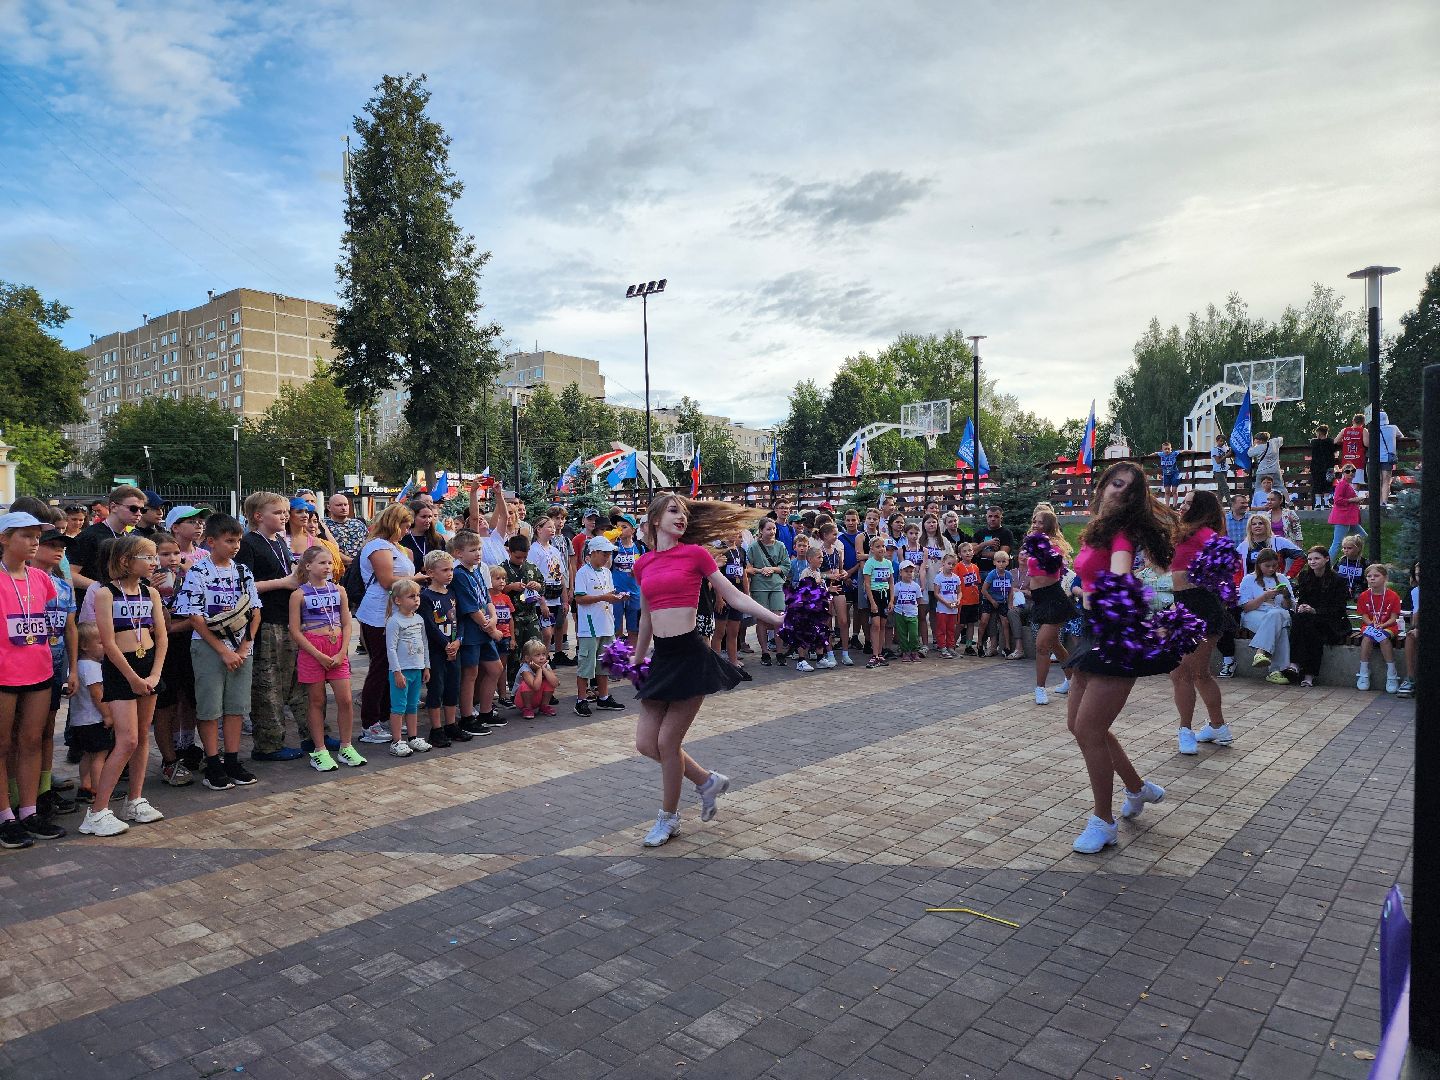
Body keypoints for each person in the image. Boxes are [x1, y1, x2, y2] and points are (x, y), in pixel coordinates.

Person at [631, 494, 784, 848]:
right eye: (673, 511)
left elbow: (733, 596)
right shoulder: (643, 564)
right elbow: (645, 616)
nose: (681, 517)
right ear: (655, 519)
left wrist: (774, 618)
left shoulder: (695, 555)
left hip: (690, 654)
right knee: (645, 743)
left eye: (684, 513)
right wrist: (638, 659)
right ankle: (706, 780)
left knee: (668, 743)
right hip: (662, 658)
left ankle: (668, 819)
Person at [1062, 461, 1178, 854]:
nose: (1119, 492)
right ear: (1102, 486)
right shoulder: (1098, 529)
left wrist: (1093, 594)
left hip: (1117, 638)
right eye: (1115, 483)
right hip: (1095, 634)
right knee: (1079, 727)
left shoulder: (1123, 536)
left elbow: (1119, 577)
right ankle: (1137, 788)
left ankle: (1104, 822)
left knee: (1090, 730)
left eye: (1128, 489)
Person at [84, 534, 168, 836]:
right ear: (125, 560)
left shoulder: (151, 593)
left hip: (148, 669)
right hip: (122, 670)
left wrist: (155, 674)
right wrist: (132, 677)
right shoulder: (106, 593)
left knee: (142, 737)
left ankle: (135, 799)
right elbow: (107, 641)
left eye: (154, 556)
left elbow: (161, 636)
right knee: (127, 740)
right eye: (148, 557)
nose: (154, 562)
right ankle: (97, 812)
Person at [175, 513, 262, 792]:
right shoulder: (199, 572)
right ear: (211, 542)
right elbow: (195, 617)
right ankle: (213, 763)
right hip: (209, 647)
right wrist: (223, 651)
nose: (235, 546)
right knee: (210, 708)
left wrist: (245, 645)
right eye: (229, 541)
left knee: (236, 707)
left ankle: (233, 760)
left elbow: (255, 611)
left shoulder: (242, 572)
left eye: (237, 540)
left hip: (240, 647)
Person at [0, 512, 62, 847]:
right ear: (5, 538)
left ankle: (28, 809)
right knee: (2, 744)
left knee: (31, 741)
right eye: (26, 535)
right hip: (4, 674)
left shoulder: (41, 579)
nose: (35, 541)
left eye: (37, 535)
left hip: (39, 669)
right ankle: (5, 816)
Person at [1168, 491, 1232, 752]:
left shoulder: (1207, 536)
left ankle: (1185, 731)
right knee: (1198, 673)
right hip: (1185, 604)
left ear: (1201, 509)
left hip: (1201, 606)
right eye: (1182, 502)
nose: (1182, 507)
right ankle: (1218, 726)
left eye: (1188, 503)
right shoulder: (1186, 533)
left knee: (1182, 671)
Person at [355, 504, 424, 743]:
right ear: (394, 523)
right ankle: (370, 722)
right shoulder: (378, 546)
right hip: (378, 614)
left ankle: (386, 715)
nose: (407, 531)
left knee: (394, 667)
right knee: (381, 666)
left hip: (396, 613)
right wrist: (415, 578)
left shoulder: (397, 547)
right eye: (405, 526)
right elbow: (386, 580)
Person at [289, 546, 362, 770]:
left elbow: (347, 623)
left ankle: (346, 746)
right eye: (322, 563)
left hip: (337, 649)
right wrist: (317, 654)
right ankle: (319, 749)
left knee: (346, 699)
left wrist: (342, 651)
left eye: (330, 563)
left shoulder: (339, 590)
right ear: (308, 566)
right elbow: (294, 630)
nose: (327, 567)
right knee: (316, 701)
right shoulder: (298, 594)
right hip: (313, 650)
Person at [450, 531, 502, 736]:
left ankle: (486, 711)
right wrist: (490, 627)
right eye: (472, 550)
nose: (478, 553)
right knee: (470, 674)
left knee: (495, 669)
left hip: (485, 629)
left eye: (479, 549)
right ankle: (466, 717)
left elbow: (486, 597)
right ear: (459, 553)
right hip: (472, 631)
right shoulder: (460, 574)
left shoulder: (478, 569)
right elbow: (470, 608)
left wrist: (494, 616)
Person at [1024, 509, 1076, 703]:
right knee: (1054, 643)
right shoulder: (1031, 541)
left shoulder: (1055, 547)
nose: (1036, 525)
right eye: (1034, 521)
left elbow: (1054, 566)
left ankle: (1040, 688)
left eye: (1040, 522)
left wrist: (1038, 548)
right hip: (1038, 599)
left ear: (1049, 525)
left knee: (1042, 645)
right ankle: (1072, 679)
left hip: (1053, 598)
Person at [573, 536, 626, 716]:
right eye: (604, 553)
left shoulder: (607, 572)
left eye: (609, 554)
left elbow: (608, 593)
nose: (607, 557)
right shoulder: (583, 573)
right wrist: (605, 597)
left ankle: (603, 697)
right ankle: (581, 699)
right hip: (590, 627)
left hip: (606, 624)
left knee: (604, 664)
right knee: (586, 664)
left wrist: (618, 597)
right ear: (593, 552)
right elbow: (579, 598)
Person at [415, 550, 461, 748]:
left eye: (451, 569)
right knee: (436, 688)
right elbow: (429, 625)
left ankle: (451, 724)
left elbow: (460, 620)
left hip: (454, 648)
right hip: (436, 650)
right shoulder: (425, 597)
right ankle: (436, 729)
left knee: (453, 687)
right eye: (445, 570)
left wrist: (458, 640)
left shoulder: (451, 593)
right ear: (431, 573)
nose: (450, 573)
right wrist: (445, 644)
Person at [1290, 546, 1350, 688]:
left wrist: (1315, 610)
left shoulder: (1338, 580)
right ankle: (1302, 670)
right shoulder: (1305, 576)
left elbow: (1338, 608)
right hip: (1309, 619)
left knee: (1311, 626)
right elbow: (1303, 599)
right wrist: (1302, 606)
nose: (1312, 562)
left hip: (1331, 621)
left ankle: (1302, 668)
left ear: (1326, 559)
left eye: (1316, 558)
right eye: (1310, 559)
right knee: (1301, 619)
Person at [68, 624, 113, 811]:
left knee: (87, 754)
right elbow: (97, 694)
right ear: (85, 646)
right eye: (101, 642)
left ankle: (85, 786)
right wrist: (108, 715)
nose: (105, 646)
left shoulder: (77, 666)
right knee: (100, 756)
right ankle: (98, 789)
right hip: (93, 719)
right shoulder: (92, 667)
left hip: (79, 721)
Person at [69, 485, 147, 592]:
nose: (138, 514)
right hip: (94, 603)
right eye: (133, 508)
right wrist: (103, 588)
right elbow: (70, 574)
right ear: (114, 507)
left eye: (142, 510)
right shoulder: (89, 535)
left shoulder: (131, 537)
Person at [384, 579, 430, 755]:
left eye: (418, 595)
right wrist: (396, 672)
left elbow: (424, 643)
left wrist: (426, 667)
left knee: (412, 705)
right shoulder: (394, 621)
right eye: (411, 596)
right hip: (401, 671)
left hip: (416, 669)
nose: (417, 599)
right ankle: (397, 741)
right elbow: (391, 649)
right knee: (398, 707)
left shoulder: (419, 619)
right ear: (398, 600)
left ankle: (413, 737)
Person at [1239, 549, 1295, 682]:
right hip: (1255, 614)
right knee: (1280, 627)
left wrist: (1286, 596)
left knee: (1277, 614)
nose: (1271, 569)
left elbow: (1288, 606)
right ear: (1259, 564)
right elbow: (1246, 607)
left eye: (1274, 566)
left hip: (1279, 614)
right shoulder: (1248, 579)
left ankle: (1260, 652)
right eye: (1267, 566)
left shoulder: (1282, 578)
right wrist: (1264, 596)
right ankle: (1276, 671)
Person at [747, 517, 790, 667]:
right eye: (768, 529)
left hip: (777, 585)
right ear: (761, 530)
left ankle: (779, 652)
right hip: (759, 586)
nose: (772, 531)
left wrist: (773, 569)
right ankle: (765, 652)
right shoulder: (753, 547)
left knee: (778, 619)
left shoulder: (781, 546)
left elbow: (786, 566)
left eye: (773, 529)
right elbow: (748, 568)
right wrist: (760, 570)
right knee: (762, 621)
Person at [1355, 564, 1401, 693]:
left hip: (1388, 626)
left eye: (1376, 575)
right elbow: (1364, 615)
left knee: (1383, 638)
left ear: (1385, 578)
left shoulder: (1393, 596)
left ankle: (1391, 673)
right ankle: (1363, 670)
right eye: (1369, 576)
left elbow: (1393, 617)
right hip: (1370, 626)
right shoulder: (1364, 595)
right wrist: (1371, 624)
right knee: (1367, 638)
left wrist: (1383, 625)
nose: (1372, 578)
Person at [712, 531, 750, 675]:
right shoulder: (721, 551)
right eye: (733, 533)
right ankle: (716, 662)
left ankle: (733, 660)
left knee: (734, 631)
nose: (736, 536)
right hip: (724, 595)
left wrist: (747, 594)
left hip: (737, 594)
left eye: (739, 534)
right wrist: (719, 597)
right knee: (720, 631)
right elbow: (716, 575)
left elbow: (744, 573)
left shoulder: (741, 551)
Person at [611, 515, 645, 647]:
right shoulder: (614, 547)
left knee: (634, 629)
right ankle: (617, 657)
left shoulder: (639, 547)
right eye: (618, 527)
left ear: (633, 530)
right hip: (617, 592)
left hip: (635, 592)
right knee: (616, 629)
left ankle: (633, 658)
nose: (620, 530)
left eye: (624, 527)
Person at [861, 534, 893, 668]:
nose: (881, 549)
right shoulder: (869, 563)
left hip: (885, 595)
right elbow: (867, 584)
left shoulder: (888, 563)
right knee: (875, 625)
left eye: (883, 546)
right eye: (877, 546)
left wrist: (891, 600)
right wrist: (872, 602)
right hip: (874, 595)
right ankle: (874, 655)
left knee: (883, 625)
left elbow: (891, 582)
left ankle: (880, 654)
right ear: (872, 549)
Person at [980, 550, 1017, 659]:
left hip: (1002, 601)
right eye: (998, 561)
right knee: (984, 620)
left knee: (1005, 622)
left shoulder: (1008, 575)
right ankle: (980, 644)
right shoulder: (992, 574)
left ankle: (1007, 647)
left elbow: (1011, 591)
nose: (1001, 564)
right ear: (994, 562)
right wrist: (992, 601)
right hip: (990, 600)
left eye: (1003, 561)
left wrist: (1010, 603)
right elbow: (983, 590)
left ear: (1007, 562)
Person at [1237, 513, 1302, 574]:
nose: (1257, 526)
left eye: (1260, 523)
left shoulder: (1280, 542)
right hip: (1251, 584)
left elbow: (1301, 556)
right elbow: (1234, 566)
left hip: (1275, 583)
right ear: (1250, 528)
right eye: (1254, 524)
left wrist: (1289, 575)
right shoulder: (1243, 546)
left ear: (1266, 526)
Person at [1327, 464, 1365, 562]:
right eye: (1347, 471)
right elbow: (1337, 500)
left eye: (1353, 471)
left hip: (1348, 518)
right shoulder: (1342, 484)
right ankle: (1326, 565)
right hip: (1342, 517)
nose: (1351, 473)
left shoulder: (1348, 484)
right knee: (1337, 543)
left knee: (1362, 536)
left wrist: (1356, 500)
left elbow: (1346, 499)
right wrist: (1354, 499)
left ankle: (1355, 558)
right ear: (1343, 473)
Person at [512, 639, 558, 719]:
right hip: (521, 700)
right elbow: (535, 686)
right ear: (527, 658)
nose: (542, 657)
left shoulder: (545, 666)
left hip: (536, 696)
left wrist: (544, 670)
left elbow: (555, 683)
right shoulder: (525, 669)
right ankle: (527, 708)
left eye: (543, 654)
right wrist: (539, 670)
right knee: (526, 684)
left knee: (549, 680)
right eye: (537, 655)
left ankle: (544, 705)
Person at [325, 493, 369, 567]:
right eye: (339, 505)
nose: (343, 508)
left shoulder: (358, 524)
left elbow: (369, 543)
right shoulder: (324, 525)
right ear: (329, 508)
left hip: (361, 568)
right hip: (337, 568)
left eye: (345, 505)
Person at [971, 506, 1014, 582]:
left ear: (1001, 518)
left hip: (997, 573)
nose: (993, 519)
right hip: (979, 572)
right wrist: (986, 544)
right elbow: (971, 551)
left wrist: (980, 553)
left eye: (996, 516)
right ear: (986, 517)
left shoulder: (1006, 533)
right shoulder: (979, 533)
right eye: (990, 516)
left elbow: (1001, 556)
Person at [931, 551, 962, 659]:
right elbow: (936, 593)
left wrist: (958, 600)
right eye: (949, 563)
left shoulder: (956, 578)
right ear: (943, 563)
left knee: (951, 629)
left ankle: (950, 647)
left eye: (953, 564)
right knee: (941, 629)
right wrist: (946, 603)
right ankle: (942, 648)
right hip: (942, 609)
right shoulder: (939, 577)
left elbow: (959, 591)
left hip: (953, 608)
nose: (951, 566)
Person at [892, 561, 923, 662]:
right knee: (902, 634)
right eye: (906, 571)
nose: (909, 573)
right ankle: (905, 652)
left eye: (911, 571)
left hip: (912, 613)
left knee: (914, 633)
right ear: (901, 572)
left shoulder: (916, 586)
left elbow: (919, 599)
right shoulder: (897, 586)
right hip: (900, 613)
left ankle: (914, 651)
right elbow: (895, 598)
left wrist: (913, 607)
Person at [956, 542, 982, 655]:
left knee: (971, 624)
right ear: (959, 554)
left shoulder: (975, 567)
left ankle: (968, 646)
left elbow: (977, 582)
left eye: (970, 550)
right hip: (962, 601)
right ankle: (951, 644)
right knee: (960, 624)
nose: (968, 553)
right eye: (965, 551)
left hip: (974, 600)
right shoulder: (957, 567)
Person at [1398, 561, 1418, 698]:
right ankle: (1411, 679)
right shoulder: (1416, 592)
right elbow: (1416, 614)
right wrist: (1416, 628)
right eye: (1417, 574)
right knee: (1411, 635)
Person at [1376, 411, 1403, 507]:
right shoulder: (1393, 428)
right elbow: (1401, 437)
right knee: (1386, 481)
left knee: (1377, 481)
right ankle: (1384, 502)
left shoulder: (1373, 429)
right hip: (1388, 457)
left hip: (1375, 458)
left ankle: (1377, 503)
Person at [1248, 430, 1286, 499]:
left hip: (1262, 471)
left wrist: (1253, 445)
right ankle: (1285, 502)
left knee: (1259, 489)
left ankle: (1258, 504)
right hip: (1275, 470)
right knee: (1279, 487)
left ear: (1260, 440)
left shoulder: (1258, 448)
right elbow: (1281, 439)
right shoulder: (1274, 442)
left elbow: (1249, 454)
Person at [1309, 424, 1336, 510]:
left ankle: (1318, 504)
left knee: (1317, 484)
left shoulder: (1314, 442)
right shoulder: (1330, 442)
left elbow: (1312, 441)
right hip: (1329, 466)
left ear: (1319, 433)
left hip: (1316, 466)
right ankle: (1327, 503)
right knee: (1328, 484)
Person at [1335, 533, 1367, 599]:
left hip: (1357, 587)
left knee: (1359, 594)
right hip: (1342, 585)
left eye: (1349, 548)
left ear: (1358, 548)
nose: (1346, 550)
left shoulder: (1363, 563)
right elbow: (1334, 573)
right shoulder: (1341, 561)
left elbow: (1366, 579)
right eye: (1344, 548)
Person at [1338, 412, 1367, 485]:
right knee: (1357, 484)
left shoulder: (1344, 430)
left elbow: (1336, 441)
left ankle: (1347, 496)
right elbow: (1367, 444)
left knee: (1346, 483)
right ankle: (1354, 495)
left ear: (1353, 421)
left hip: (1346, 461)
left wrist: (1344, 441)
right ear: (1363, 423)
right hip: (1358, 460)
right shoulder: (1363, 430)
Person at [1157, 442, 1181, 507]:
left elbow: (1183, 451)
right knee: (1167, 491)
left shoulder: (1174, 453)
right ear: (1162, 450)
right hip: (1166, 475)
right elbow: (1155, 453)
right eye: (1165, 449)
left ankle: (1174, 506)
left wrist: (1193, 451)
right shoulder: (1161, 454)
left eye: (1168, 449)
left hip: (1174, 474)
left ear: (1171, 449)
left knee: (1174, 491)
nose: (1167, 450)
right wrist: (1147, 456)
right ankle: (1167, 506)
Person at [1210, 435, 1230, 504]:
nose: (1222, 443)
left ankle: (1219, 505)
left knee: (1221, 490)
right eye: (1220, 441)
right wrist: (1226, 455)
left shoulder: (1224, 448)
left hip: (1224, 470)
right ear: (1217, 441)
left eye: (1223, 441)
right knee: (1225, 488)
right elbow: (1218, 461)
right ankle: (1230, 504)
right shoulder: (1215, 449)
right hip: (1218, 471)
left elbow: (1229, 450)